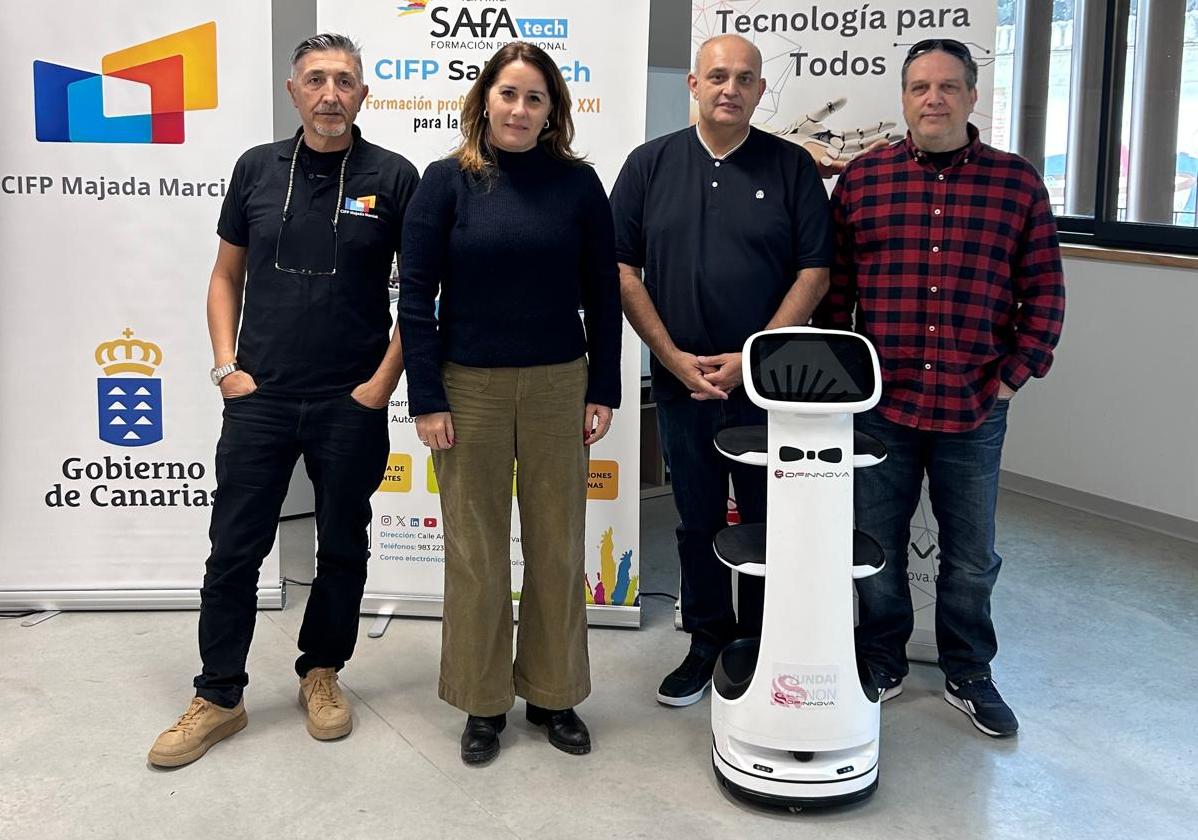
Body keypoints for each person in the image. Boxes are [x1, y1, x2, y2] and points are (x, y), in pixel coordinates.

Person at [148, 34, 419, 767]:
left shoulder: (394, 177)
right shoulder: (255, 169)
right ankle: (219, 696)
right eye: (316, 80)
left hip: (349, 401)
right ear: (293, 90)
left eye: (345, 80)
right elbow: (223, 276)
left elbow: (425, 294)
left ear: (364, 95)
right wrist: (225, 367)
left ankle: (322, 672)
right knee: (234, 550)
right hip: (260, 396)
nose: (331, 92)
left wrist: (381, 384)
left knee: (341, 548)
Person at [813, 39, 1066, 737]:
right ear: (903, 98)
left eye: (949, 86)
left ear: (973, 96)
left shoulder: (1017, 184)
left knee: (971, 554)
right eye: (921, 86)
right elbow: (836, 297)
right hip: (883, 406)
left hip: (974, 404)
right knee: (875, 543)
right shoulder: (864, 180)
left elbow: (1044, 293)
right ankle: (883, 658)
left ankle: (968, 669)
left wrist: (1012, 379)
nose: (934, 98)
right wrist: (841, 386)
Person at [398, 42, 622, 765]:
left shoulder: (579, 187)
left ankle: (554, 696)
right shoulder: (444, 184)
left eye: (534, 97)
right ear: (484, 101)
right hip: (469, 389)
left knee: (558, 546)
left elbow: (603, 295)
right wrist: (427, 396)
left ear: (552, 108)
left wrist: (606, 386)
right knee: (476, 553)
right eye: (508, 94)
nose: (520, 110)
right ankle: (482, 702)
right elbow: (416, 302)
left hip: (561, 383)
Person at [610, 34, 832, 707]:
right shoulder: (648, 166)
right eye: (716, 76)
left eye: (744, 78)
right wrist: (672, 358)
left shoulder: (792, 167)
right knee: (697, 517)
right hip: (681, 382)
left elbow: (815, 273)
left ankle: (762, 644)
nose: (729, 88)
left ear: (761, 90)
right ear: (694, 86)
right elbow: (621, 269)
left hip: (770, 385)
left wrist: (754, 358)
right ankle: (706, 639)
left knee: (769, 518)